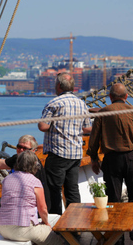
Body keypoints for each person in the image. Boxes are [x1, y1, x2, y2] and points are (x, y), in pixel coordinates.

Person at [86, 82, 133, 203]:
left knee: (112, 197)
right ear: (126, 96)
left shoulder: (103, 113)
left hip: (112, 160)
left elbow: (93, 140)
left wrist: (94, 160)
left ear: (110, 97)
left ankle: (114, 221)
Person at [38, 72, 92, 215]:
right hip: (75, 154)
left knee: (53, 189)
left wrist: (56, 125)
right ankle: (75, 221)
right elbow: (88, 128)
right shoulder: (81, 104)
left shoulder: (53, 103)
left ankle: (55, 221)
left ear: (59, 86)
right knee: (72, 189)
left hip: (58, 153)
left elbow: (43, 126)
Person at [0, 134, 51, 210]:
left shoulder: (33, 165)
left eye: (25, 148)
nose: (21, 150)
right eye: (19, 147)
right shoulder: (18, 158)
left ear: (33, 150)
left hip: (33, 206)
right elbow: (0, 163)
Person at [0, 150, 62, 245]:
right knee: (58, 241)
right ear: (35, 165)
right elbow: (43, 209)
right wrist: (46, 223)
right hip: (23, 229)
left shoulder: (7, 179)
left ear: (17, 163)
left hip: (3, 229)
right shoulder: (35, 182)